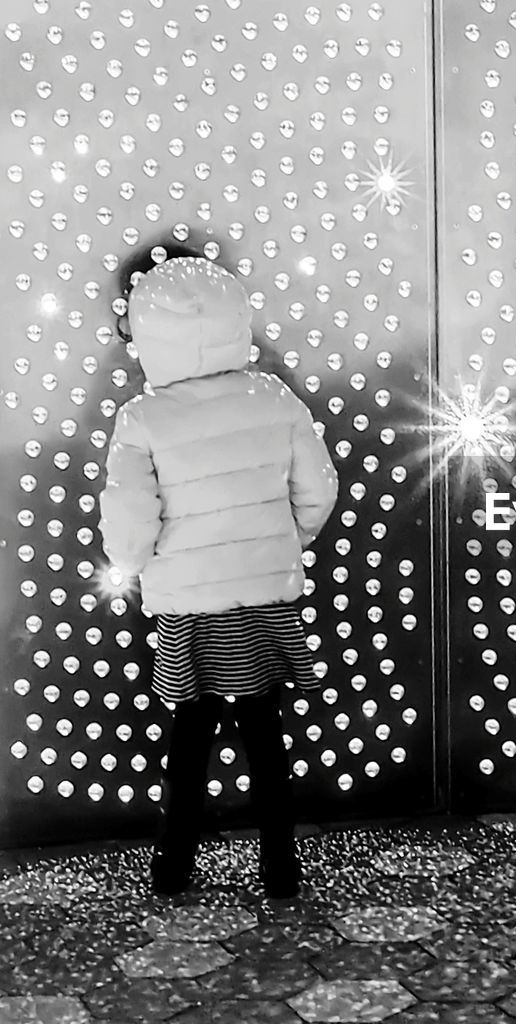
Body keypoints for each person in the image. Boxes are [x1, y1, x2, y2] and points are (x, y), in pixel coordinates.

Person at [99, 250, 339, 898]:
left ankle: (172, 868)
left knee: (189, 736)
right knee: (265, 734)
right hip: (264, 599)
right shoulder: (274, 396)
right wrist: (282, 542)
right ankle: (281, 870)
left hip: (188, 610)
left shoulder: (142, 419)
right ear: (236, 317)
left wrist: (132, 565)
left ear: (147, 331)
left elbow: (128, 518)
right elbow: (318, 490)